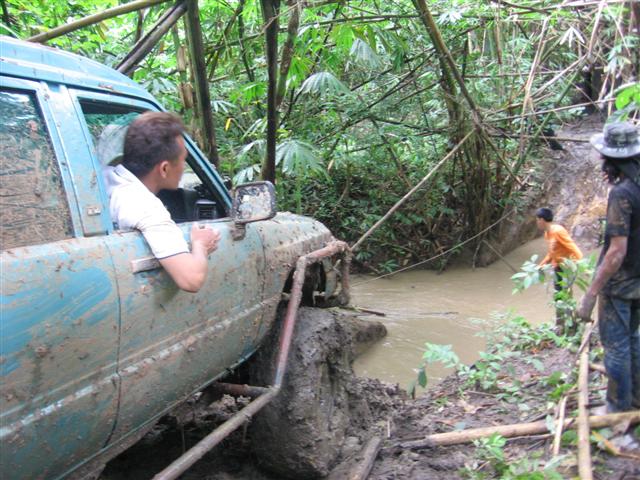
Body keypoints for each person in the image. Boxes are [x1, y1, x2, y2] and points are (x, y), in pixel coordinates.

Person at [103, 111, 220, 293]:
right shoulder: (144, 205)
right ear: (164, 169)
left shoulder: (104, 175)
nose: (184, 167)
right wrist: (200, 245)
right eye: (183, 160)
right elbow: (191, 280)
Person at [577, 121, 640, 414]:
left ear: (611, 158)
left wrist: (591, 293)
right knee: (633, 339)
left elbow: (616, 253)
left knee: (616, 346)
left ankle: (616, 409)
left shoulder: (622, 194)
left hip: (620, 283)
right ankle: (635, 399)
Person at [536, 207, 583, 329]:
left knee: (566, 295)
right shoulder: (547, 234)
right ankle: (560, 324)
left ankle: (571, 324)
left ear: (542, 220)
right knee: (558, 296)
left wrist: (580, 264)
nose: (537, 222)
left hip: (566, 268)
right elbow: (552, 253)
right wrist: (541, 265)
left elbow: (573, 247)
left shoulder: (558, 231)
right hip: (557, 268)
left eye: (537, 220)